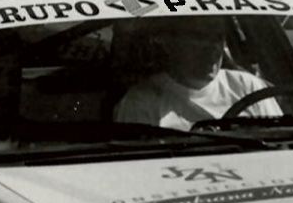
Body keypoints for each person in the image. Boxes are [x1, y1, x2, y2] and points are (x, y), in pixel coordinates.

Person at [114, 17, 282, 131]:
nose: (213, 48)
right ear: (169, 43)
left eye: (218, 38)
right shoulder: (142, 102)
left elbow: (281, 144)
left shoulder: (248, 87)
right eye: (200, 38)